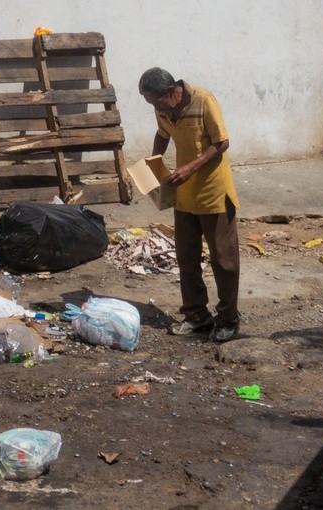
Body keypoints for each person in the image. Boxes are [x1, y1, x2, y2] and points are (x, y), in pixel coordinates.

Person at [138, 67, 240, 342]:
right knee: (187, 259)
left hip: (213, 193)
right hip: (183, 196)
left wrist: (190, 168)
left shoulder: (204, 100)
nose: (156, 108)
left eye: (157, 102)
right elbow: (163, 133)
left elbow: (221, 142)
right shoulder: (162, 106)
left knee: (224, 260)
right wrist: (152, 166)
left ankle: (228, 320)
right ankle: (197, 317)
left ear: (172, 92)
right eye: (151, 104)